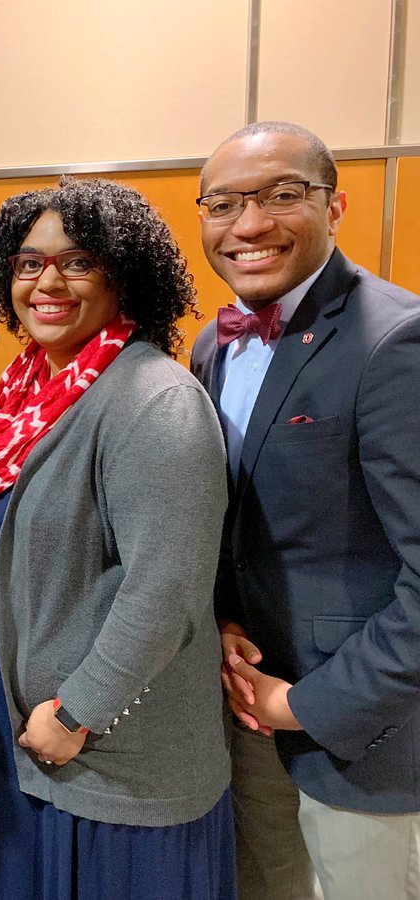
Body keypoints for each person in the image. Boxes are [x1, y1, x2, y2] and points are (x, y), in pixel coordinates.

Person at [0, 176, 234, 900]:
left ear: (124, 276)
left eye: (78, 262)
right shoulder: (28, 391)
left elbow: (166, 589)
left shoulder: (153, 400)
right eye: (29, 263)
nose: (47, 282)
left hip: (106, 755)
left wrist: (80, 711)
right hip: (24, 742)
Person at [190, 121, 420, 900]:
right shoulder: (210, 347)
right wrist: (222, 620)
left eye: (282, 195)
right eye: (224, 204)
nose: (250, 224)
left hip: (367, 732)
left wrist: (307, 704)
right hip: (247, 715)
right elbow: (233, 522)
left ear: (336, 207)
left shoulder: (396, 340)